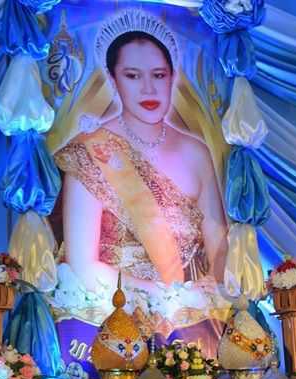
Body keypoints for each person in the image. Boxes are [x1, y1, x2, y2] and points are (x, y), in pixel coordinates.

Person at [53, 10, 230, 356]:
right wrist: (160, 294)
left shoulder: (196, 152)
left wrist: (217, 285)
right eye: (132, 75)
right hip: (110, 311)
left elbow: (216, 238)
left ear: (172, 77)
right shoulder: (91, 152)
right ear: (113, 79)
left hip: (189, 313)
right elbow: (82, 264)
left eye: (158, 75)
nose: (148, 88)